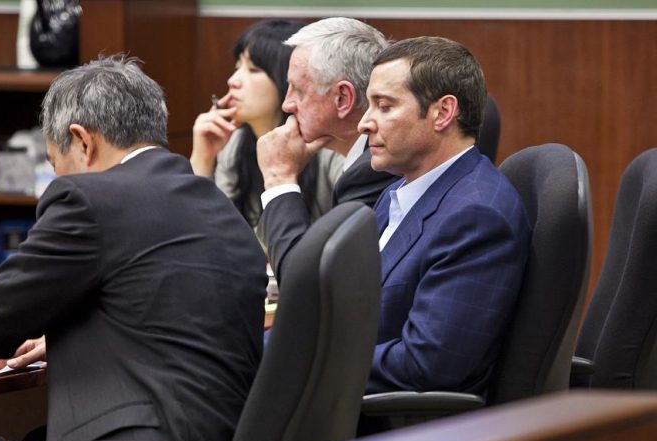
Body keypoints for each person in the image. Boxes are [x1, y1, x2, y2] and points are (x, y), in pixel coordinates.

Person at [0, 55, 267, 441]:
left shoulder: (90, 200)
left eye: (57, 166)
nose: (58, 181)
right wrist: (79, 337)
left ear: (83, 142)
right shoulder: (215, 204)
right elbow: (167, 311)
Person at [359, 37, 531, 394]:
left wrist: (307, 362)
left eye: (385, 106)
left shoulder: (477, 216)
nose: (364, 123)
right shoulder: (398, 191)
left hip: (392, 430)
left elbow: (427, 364)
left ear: (442, 113)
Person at [255, 17, 398, 283]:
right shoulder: (365, 158)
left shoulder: (374, 170)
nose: (287, 105)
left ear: (343, 99)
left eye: (297, 90)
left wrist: (279, 178)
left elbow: (306, 283)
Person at [190, 19, 343, 228]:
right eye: (237, 67)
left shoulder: (328, 146)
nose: (233, 80)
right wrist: (202, 160)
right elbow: (210, 233)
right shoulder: (235, 143)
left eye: (253, 70)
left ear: (288, 80)